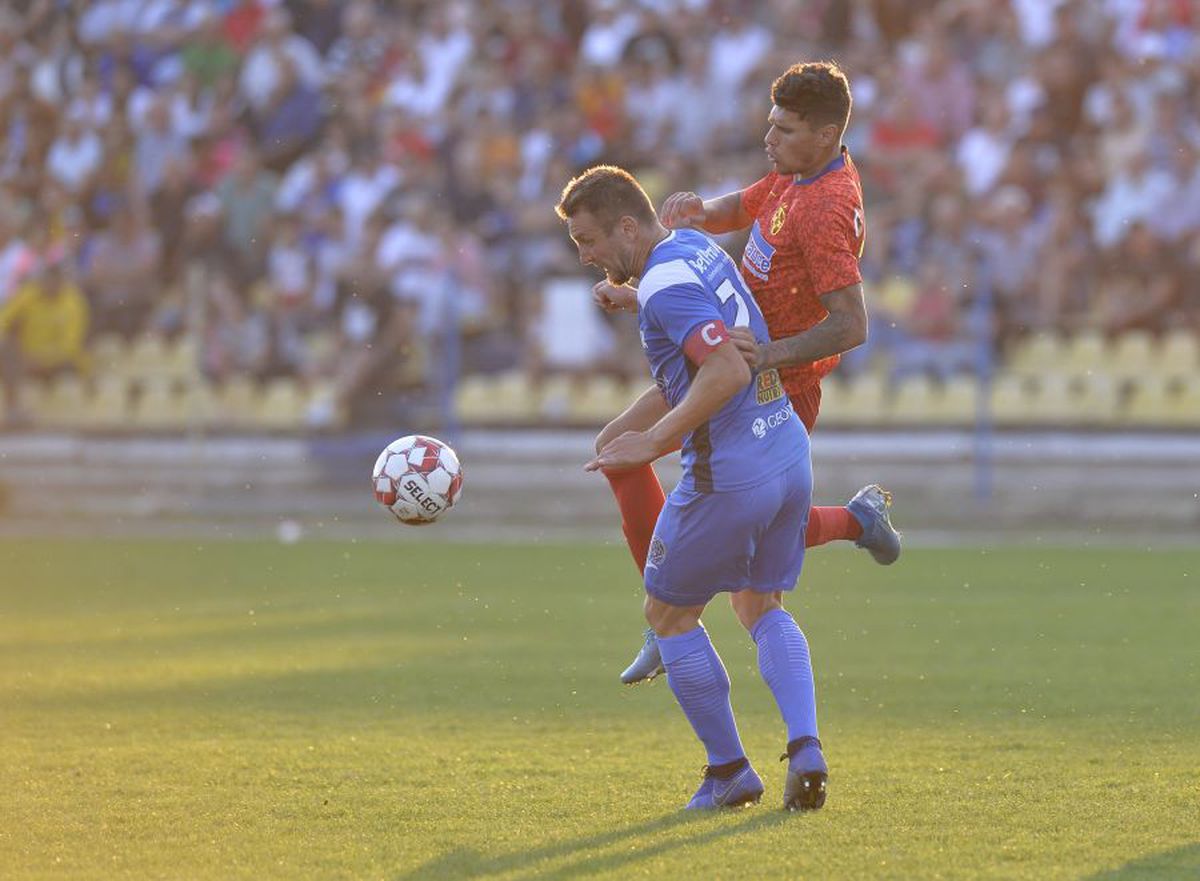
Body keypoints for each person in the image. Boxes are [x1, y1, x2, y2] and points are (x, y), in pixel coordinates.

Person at [594, 61, 901, 683]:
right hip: (726, 358)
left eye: (783, 129)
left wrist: (770, 354)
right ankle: (668, 613)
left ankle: (670, 618)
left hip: (773, 383)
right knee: (619, 452)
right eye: (771, 124)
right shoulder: (798, 172)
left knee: (745, 543)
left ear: (825, 134)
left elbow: (852, 325)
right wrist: (701, 211)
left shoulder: (825, 208)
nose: (769, 138)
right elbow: (745, 204)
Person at [557, 164, 828, 811]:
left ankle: (730, 771)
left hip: (730, 475)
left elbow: (726, 369)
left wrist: (652, 441)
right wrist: (636, 298)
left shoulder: (665, 283)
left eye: (589, 240)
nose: (586, 256)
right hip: (786, 450)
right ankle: (807, 749)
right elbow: (705, 329)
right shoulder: (693, 247)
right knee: (761, 606)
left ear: (628, 227)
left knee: (668, 617)